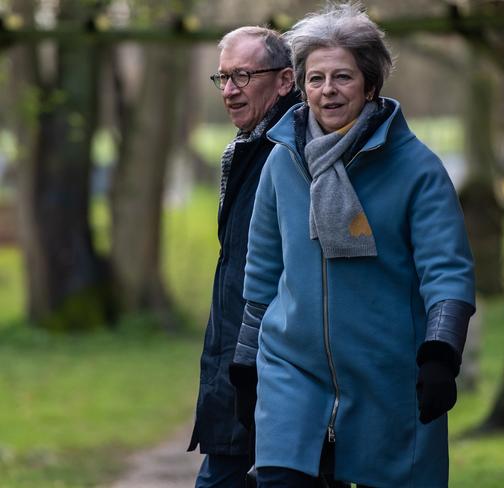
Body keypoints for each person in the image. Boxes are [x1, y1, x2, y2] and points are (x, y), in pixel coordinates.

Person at [230, 4, 476, 487]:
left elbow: (447, 272)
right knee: (280, 478)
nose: (328, 90)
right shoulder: (281, 165)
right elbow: (261, 272)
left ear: (370, 84)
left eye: (342, 76)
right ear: (300, 86)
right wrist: (245, 364)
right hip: (290, 370)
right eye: (316, 78)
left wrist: (440, 355)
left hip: (387, 377)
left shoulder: (416, 169)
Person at [188, 26, 299, 488]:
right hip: (236, 368)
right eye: (222, 78)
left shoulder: (296, 152)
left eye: (242, 76)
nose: (229, 91)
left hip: (272, 372)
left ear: (285, 80)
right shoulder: (247, 149)